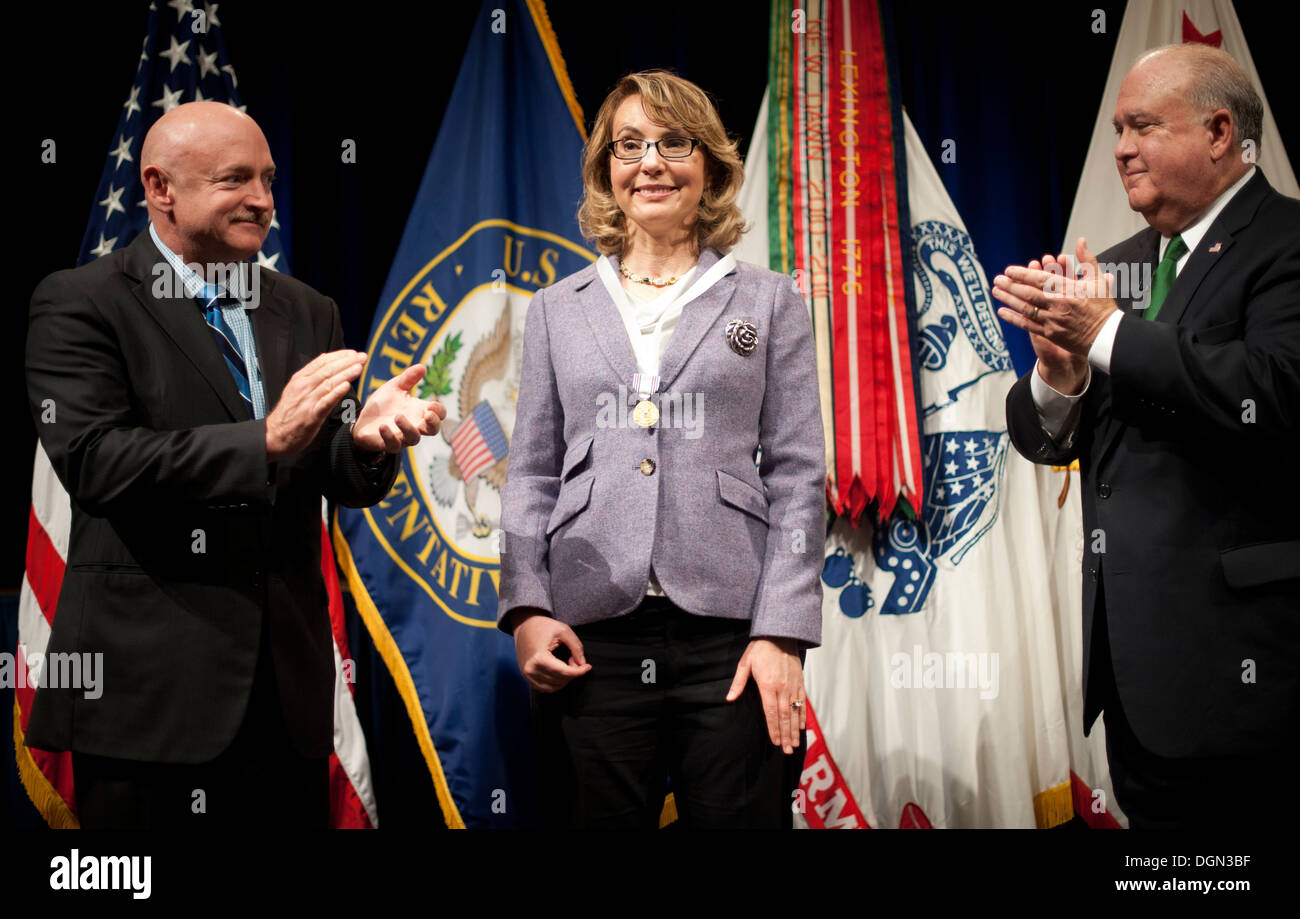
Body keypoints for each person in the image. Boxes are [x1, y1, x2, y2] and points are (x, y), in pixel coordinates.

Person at [24, 101, 446, 828]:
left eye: (269, 180)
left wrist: (367, 443)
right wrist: (266, 439)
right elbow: (96, 461)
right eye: (234, 180)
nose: (262, 200)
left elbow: (330, 471)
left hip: (288, 700)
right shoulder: (82, 302)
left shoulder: (306, 309)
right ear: (159, 188)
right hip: (148, 706)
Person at [497, 70, 826, 828]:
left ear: (707, 162)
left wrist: (780, 631)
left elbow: (801, 475)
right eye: (629, 145)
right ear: (606, 171)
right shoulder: (556, 308)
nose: (650, 162)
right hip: (590, 635)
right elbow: (534, 473)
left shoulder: (770, 300)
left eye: (673, 143)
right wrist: (525, 608)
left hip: (732, 634)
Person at [995, 44, 1299, 830]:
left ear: (1220, 130)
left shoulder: (1287, 244)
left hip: (1252, 681)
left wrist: (1106, 332)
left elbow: (1271, 393)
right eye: (1116, 129)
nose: (1121, 148)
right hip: (1133, 679)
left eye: (1142, 126)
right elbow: (1049, 443)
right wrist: (1059, 371)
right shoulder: (1121, 269)